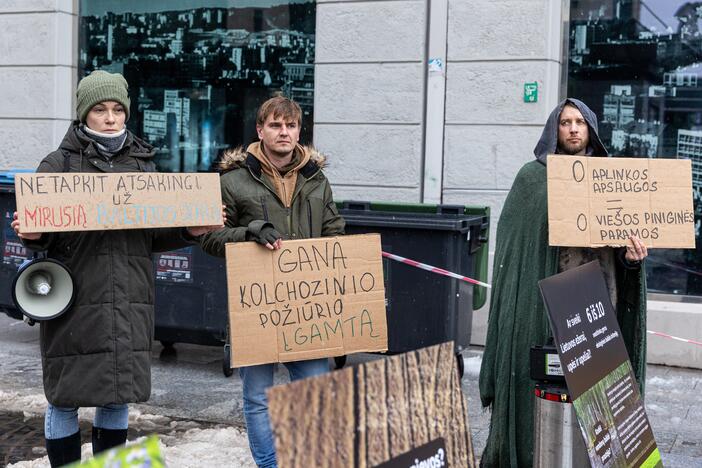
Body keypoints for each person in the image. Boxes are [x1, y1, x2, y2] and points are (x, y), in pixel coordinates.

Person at [11, 70, 221, 467]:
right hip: (76, 298)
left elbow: (154, 235)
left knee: (117, 394)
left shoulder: (143, 165)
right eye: (100, 110)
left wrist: (189, 230)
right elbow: (41, 234)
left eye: (117, 110)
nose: (110, 118)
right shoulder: (58, 164)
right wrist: (34, 235)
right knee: (65, 397)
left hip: (129, 297)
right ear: (83, 115)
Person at [478, 98, 648, 467]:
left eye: (580, 123)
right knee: (537, 392)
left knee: (596, 403)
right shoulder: (531, 179)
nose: (573, 129)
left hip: (597, 306)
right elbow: (515, 245)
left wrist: (631, 258)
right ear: (553, 129)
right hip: (542, 308)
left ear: (591, 129)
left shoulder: (611, 179)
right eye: (565, 122)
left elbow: (622, 247)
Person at [200, 96, 345, 468]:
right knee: (259, 398)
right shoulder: (231, 182)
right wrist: (249, 233)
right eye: (276, 125)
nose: (284, 132)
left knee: (312, 394)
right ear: (260, 130)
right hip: (258, 308)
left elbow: (335, 235)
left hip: (310, 308)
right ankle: (269, 465)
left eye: (291, 126)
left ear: (299, 131)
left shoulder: (317, 181)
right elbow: (209, 237)